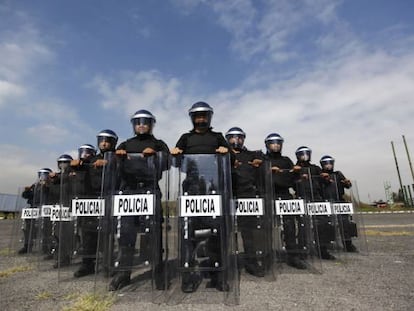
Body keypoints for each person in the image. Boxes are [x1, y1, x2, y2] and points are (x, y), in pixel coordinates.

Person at [171, 101, 232, 293]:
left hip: (213, 190)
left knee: (216, 233)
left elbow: (232, 160)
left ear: (209, 117)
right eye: (197, 116)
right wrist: (175, 154)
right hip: (191, 190)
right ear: (192, 118)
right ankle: (188, 276)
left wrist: (226, 151)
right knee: (188, 234)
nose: (200, 119)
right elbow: (175, 162)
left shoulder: (218, 137)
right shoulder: (185, 138)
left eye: (204, 115)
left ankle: (218, 275)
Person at [109, 110, 169, 291]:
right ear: (133, 125)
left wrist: (157, 155)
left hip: (149, 189)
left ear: (151, 124)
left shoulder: (159, 144)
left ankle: (158, 272)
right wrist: (116, 158)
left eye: (145, 122)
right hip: (128, 192)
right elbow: (113, 167)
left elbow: (168, 163)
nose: (141, 125)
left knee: (153, 232)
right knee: (126, 234)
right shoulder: (125, 144)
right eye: (138, 122)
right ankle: (123, 273)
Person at [225, 127, 266, 277]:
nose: (236, 140)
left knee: (249, 231)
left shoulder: (251, 154)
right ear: (227, 139)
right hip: (228, 195)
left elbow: (265, 161)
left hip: (246, 195)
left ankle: (251, 261)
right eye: (233, 137)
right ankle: (223, 262)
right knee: (224, 231)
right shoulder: (224, 155)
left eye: (240, 137)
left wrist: (260, 161)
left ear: (244, 139)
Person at [264, 133, 307, 269]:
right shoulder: (263, 160)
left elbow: (294, 179)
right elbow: (257, 176)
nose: (276, 145)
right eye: (273, 143)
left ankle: (292, 255)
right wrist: (267, 170)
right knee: (267, 226)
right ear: (267, 145)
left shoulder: (287, 160)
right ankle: (267, 254)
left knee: (289, 225)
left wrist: (298, 175)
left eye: (278, 142)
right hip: (269, 195)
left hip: (285, 195)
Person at [294, 146, 335, 260]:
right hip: (302, 197)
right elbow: (291, 182)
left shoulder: (315, 168)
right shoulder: (295, 168)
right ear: (298, 156)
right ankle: (303, 249)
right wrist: (298, 176)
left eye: (307, 153)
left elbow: (323, 182)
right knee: (303, 225)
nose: (305, 156)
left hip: (316, 198)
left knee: (322, 223)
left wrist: (326, 178)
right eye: (302, 154)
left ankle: (322, 249)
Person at [320, 155, 357, 252]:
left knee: (345, 222)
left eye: (330, 163)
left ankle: (347, 243)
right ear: (322, 164)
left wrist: (347, 183)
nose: (328, 165)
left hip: (339, 201)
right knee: (326, 223)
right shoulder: (320, 175)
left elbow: (347, 185)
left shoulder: (337, 174)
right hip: (325, 202)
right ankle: (327, 244)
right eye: (326, 163)